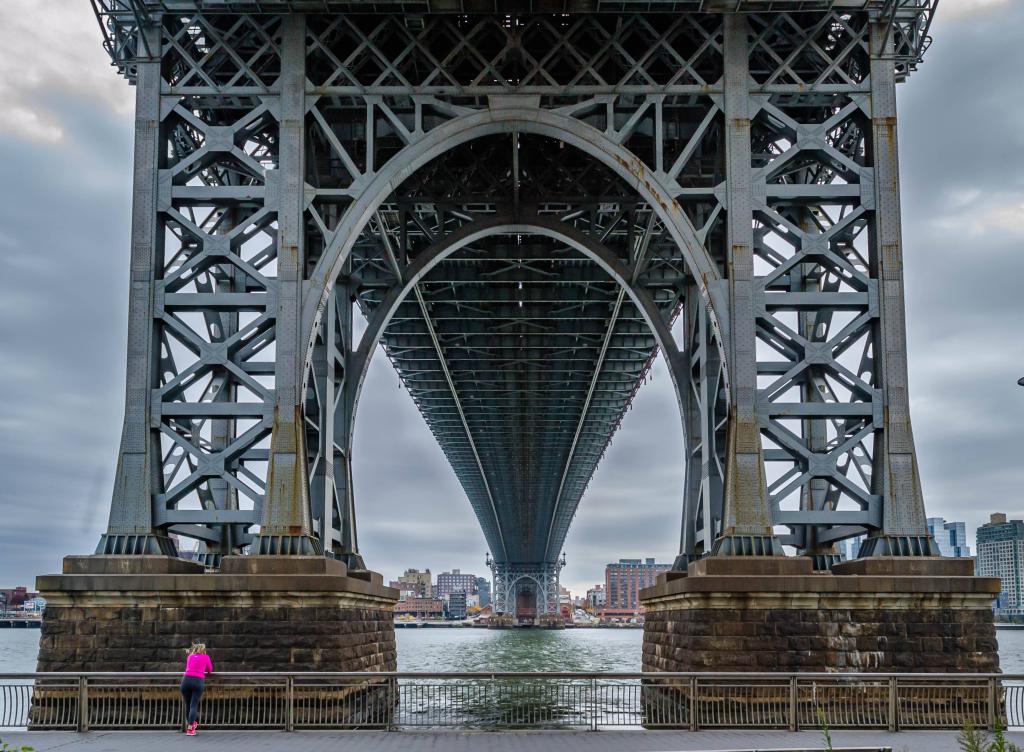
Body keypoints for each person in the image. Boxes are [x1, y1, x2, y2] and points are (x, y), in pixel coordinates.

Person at [180, 642, 213, 736]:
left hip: (185, 681)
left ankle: (191, 725)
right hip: (197, 681)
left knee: (188, 705)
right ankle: (190, 728)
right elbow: (210, 670)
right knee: (193, 705)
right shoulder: (206, 657)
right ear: (203, 650)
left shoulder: (190, 656)